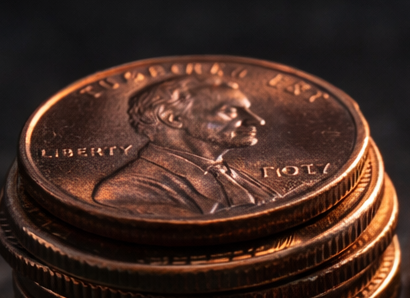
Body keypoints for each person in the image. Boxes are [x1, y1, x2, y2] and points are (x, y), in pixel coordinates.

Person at [92, 75, 281, 216]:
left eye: (247, 110)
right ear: (174, 118)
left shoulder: (231, 175)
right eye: (230, 111)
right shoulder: (123, 191)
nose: (257, 121)